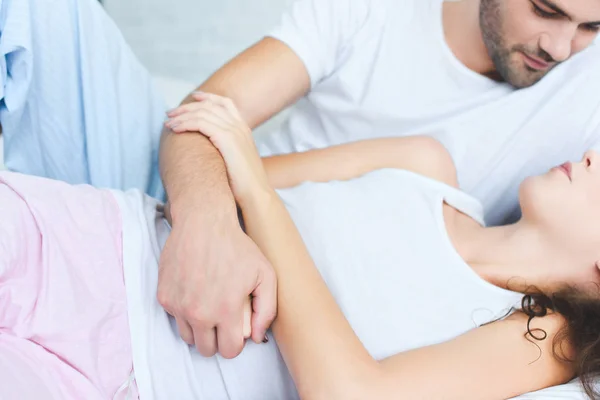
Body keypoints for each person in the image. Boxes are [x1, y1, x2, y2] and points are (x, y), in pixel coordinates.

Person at [3, 93, 600, 399]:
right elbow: (205, 145)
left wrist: (258, 198)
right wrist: (216, 207)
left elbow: (352, 396)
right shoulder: (422, 167)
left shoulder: (546, 340)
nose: (594, 157)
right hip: (96, 244)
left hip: (135, 385)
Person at [157, 0, 600, 358]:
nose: (560, 49)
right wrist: (206, 227)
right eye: (545, 10)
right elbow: (206, 116)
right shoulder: (372, 13)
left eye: (591, 27)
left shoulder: (584, 81)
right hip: (220, 184)